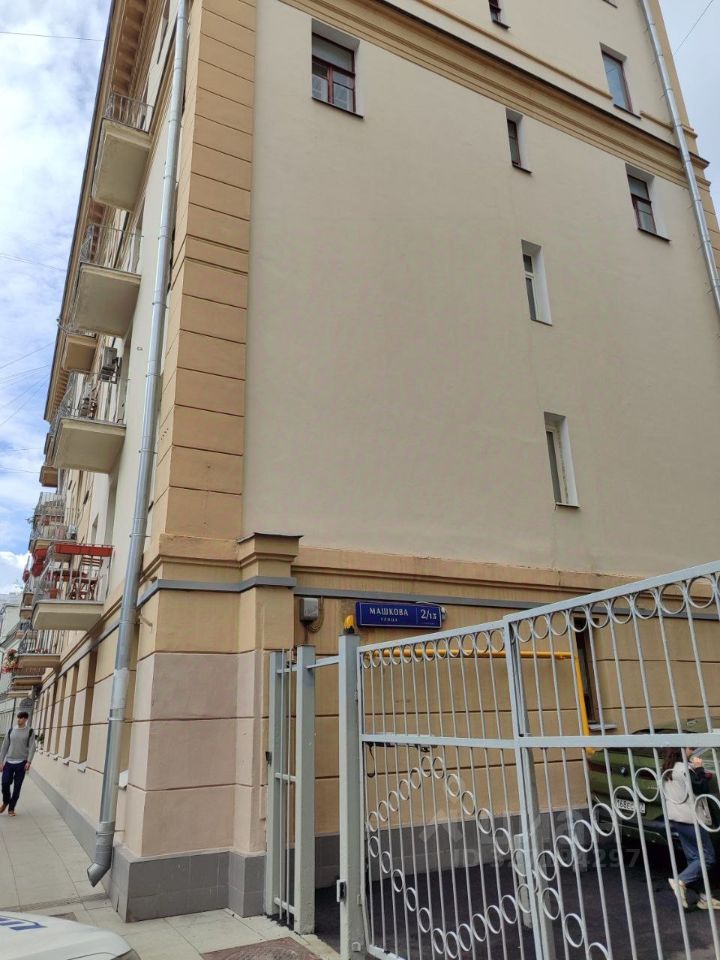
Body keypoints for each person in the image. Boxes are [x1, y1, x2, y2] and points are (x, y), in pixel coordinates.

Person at [664, 746, 720, 910]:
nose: (693, 751)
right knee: (707, 857)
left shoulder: (668, 768)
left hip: (677, 818)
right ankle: (680, 881)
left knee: (695, 859)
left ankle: (704, 898)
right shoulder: (685, 769)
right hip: (692, 818)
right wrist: (699, 769)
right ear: (680, 750)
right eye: (690, 748)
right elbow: (701, 789)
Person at [0, 711, 36, 816]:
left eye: (21, 718)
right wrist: (1, 761)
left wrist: (29, 761)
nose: (19, 720)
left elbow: (32, 747)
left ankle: (11, 808)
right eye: (18, 718)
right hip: (9, 762)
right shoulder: (11, 730)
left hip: (22, 763)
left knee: (17, 786)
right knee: (5, 783)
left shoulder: (30, 731)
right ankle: (6, 801)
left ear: (25, 719)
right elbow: (4, 746)